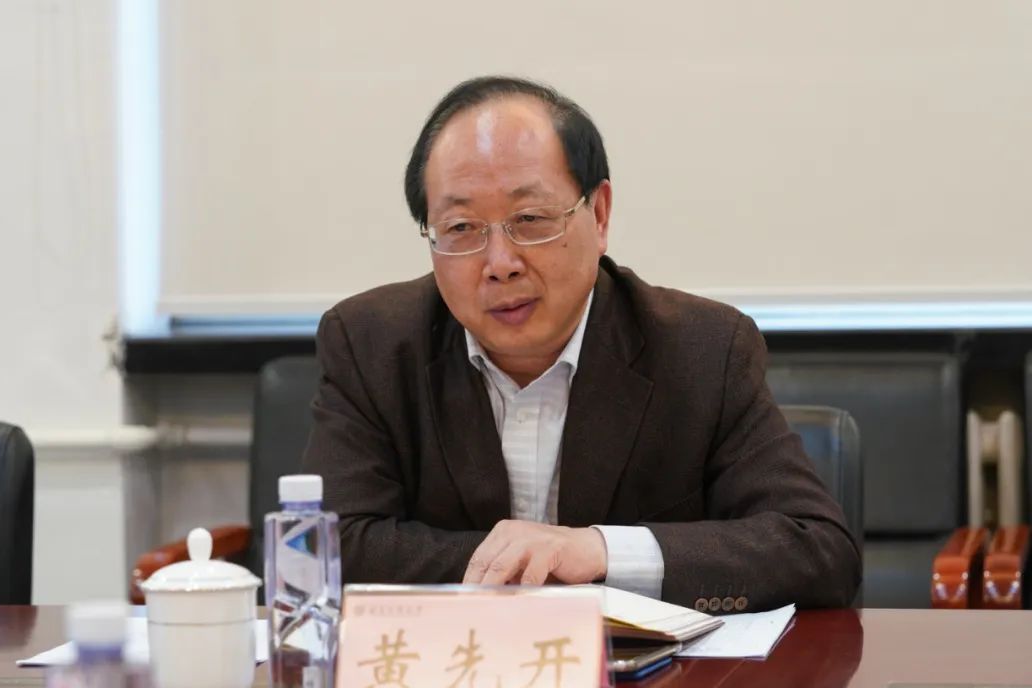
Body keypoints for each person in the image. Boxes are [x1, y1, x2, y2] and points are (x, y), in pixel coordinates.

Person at [305, 76, 860, 610]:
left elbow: (817, 549)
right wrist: (532, 566)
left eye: (530, 218)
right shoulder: (371, 343)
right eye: (461, 228)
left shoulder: (703, 350)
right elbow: (327, 549)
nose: (500, 263)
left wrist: (599, 552)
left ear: (599, 214)